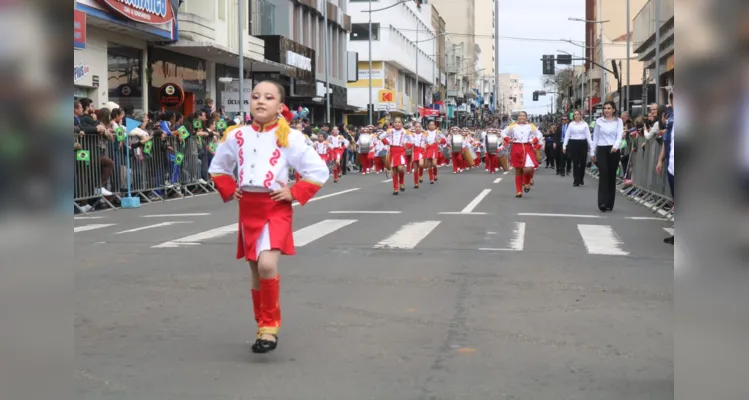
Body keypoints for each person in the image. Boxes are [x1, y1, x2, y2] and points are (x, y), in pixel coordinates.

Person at [208, 80, 329, 354]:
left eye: (269, 97)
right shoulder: (235, 135)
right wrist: (229, 188)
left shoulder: (290, 137)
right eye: (255, 96)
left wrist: (294, 192)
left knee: (266, 265)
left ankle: (270, 326)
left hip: (274, 206)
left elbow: (318, 171)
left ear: (280, 106)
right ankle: (262, 326)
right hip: (247, 207)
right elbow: (218, 167)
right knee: (255, 269)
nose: (261, 101)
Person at [590, 101, 624, 212]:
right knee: (603, 174)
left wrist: (615, 146)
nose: (606, 110)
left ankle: (610, 203)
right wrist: (592, 152)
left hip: (614, 150)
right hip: (602, 148)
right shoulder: (599, 121)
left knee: (611, 176)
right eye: (605, 108)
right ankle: (602, 203)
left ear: (613, 109)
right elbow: (595, 137)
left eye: (609, 108)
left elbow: (619, 135)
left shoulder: (618, 121)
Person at [500, 111, 543, 197]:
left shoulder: (530, 126)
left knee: (529, 168)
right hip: (517, 147)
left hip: (527, 148)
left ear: (526, 117)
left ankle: (527, 182)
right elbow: (503, 133)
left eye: (523, 116)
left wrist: (534, 140)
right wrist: (508, 139)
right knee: (518, 170)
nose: (521, 117)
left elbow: (539, 134)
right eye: (520, 116)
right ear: (517, 117)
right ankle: (518, 191)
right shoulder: (513, 126)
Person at [378, 117, 412, 195]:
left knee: (400, 168)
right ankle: (395, 188)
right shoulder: (390, 131)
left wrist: (406, 145)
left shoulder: (405, 132)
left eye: (399, 122)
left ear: (402, 124)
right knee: (394, 170)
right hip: (393, 150)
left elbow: (412, 140)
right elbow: (380, 137)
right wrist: (387, 142)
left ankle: (401, 182)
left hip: (401, 151)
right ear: (393, 124)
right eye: (395, 122)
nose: (397, 124)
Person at [563, 110, 594, 187]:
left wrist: (591, 147)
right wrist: (564, 145)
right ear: (573, 116)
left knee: (583, 163)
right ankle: (576, 180)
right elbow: (567, 135)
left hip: (582, 143)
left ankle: (581, 177)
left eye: (578, 114)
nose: (576, 116)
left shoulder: (585, 124)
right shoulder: (571, 124)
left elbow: (588, 136)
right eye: (575, 114)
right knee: (575, 163)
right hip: (573, 143)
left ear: (580, 115)